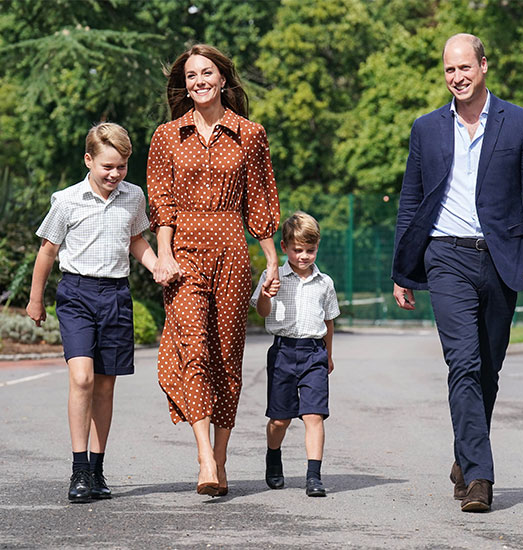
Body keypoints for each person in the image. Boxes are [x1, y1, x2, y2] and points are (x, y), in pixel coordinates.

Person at [391, 33, 523, 512]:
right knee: (461, 362)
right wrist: (403, 268)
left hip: (502, 260)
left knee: (487, 368)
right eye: (449, 70)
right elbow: (411, 202)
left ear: (484, 65)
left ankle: (466, 455)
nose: (457, 77)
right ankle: (481, 478)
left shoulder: (521, 124)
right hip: (445, 257)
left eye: (465, 68)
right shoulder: (426, 129)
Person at [147, 44, 280, 497]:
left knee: (227, 357)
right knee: (194, 349)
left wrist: (272, 259)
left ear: (223, 79)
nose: (199, 81)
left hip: (232, 251)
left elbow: (260, 201)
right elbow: (161, 206)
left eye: (207, 73)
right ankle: (204, 453)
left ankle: (221, 456)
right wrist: (163, 255)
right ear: (184, 85)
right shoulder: (167, 136)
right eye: (190, 75)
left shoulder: (251, 134)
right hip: (183, 254)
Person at [26, 123, 157, 503]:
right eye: (107, 167)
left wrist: (157, 266)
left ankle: (98, 470)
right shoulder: (66, 200)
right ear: (89, 160)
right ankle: (79, 469)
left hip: (116, 295)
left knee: (104, 384)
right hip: (77, 295)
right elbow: (48, 251)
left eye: (122, 166)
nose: (115, 174)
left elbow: (136, 239)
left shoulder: (133, 197)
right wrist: (36, 300)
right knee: (82, 378)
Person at [250, 211, 340, 497]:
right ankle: (273, 456)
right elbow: (262, 313)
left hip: (313, 353)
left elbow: (329, 321)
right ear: (285, 248)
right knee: (280, 419)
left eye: (310, 250)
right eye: (297, 250)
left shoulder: (324, 283)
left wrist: (328, 354)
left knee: (314, 415)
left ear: (317, 248)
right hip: (283, 352)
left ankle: (313, 475)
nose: (303, 256)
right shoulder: (272, 276)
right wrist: (266, 294)